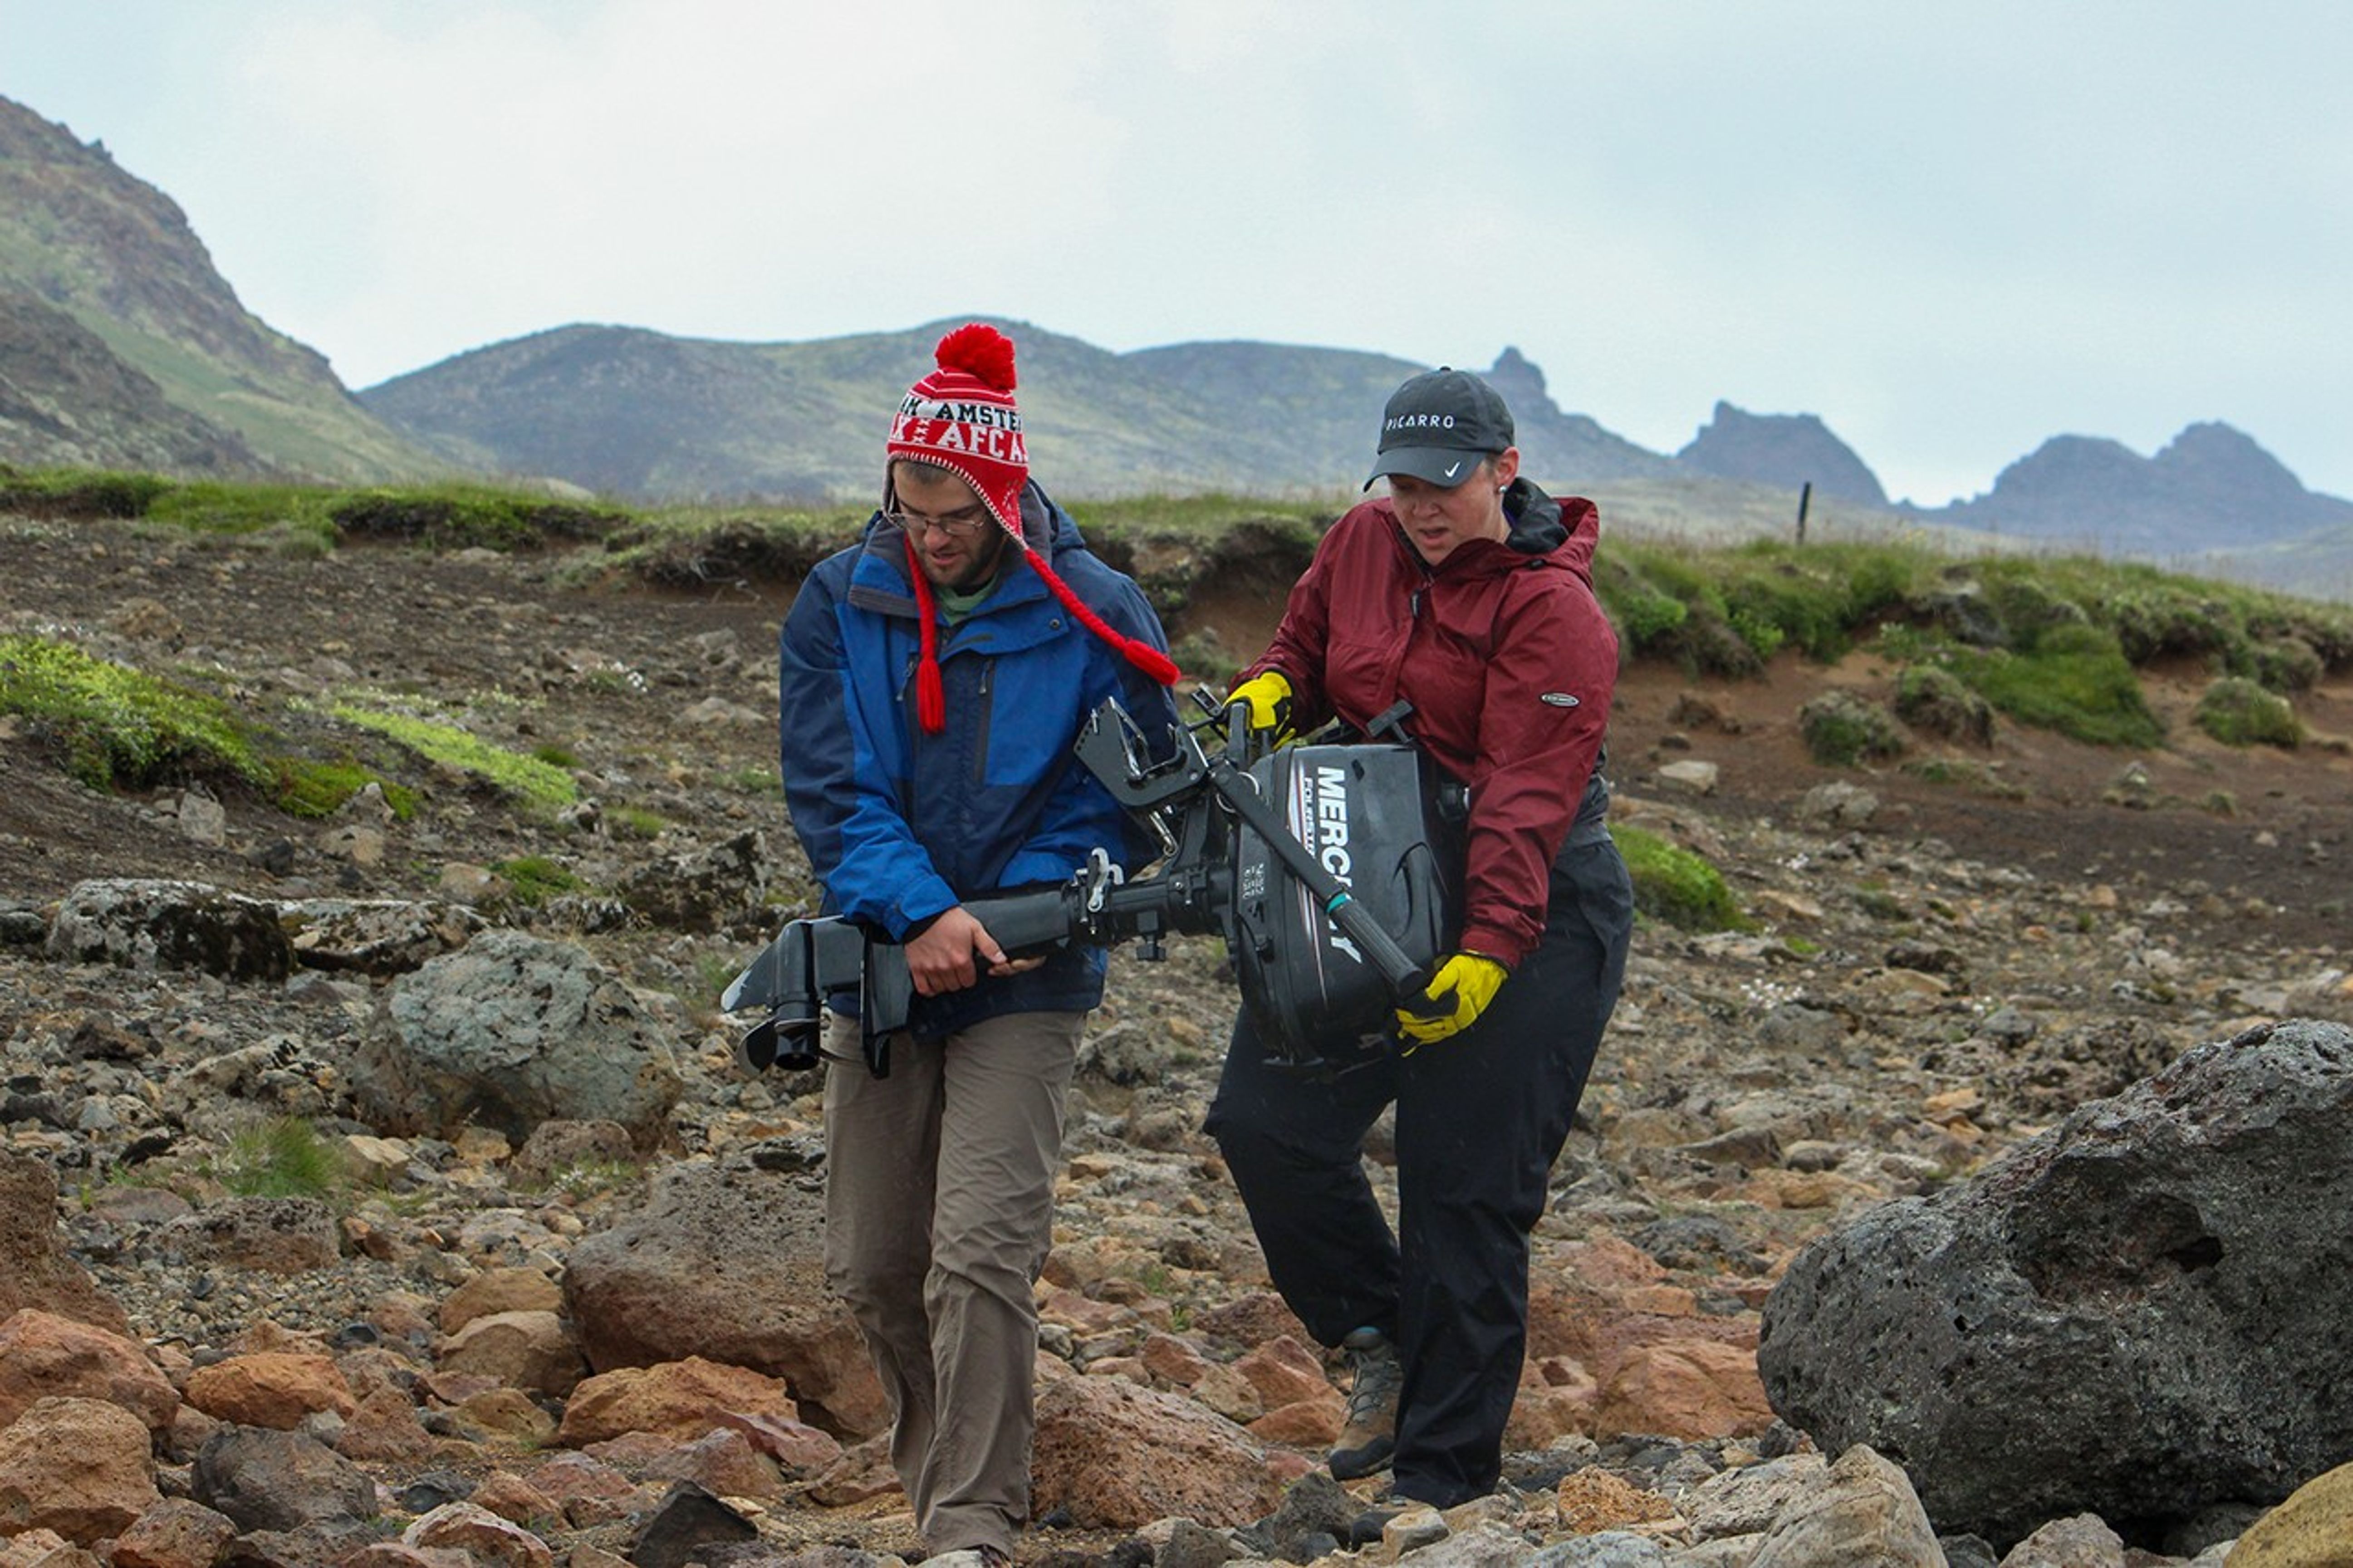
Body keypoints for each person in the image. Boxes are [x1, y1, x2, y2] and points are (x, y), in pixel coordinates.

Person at [775, 322, 1180, 1567]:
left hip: (1032, 975)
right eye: (911, 510)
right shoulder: (842, 600)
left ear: (1003, 494)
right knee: (874, 1266)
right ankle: (939, 1489)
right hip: (887, 963)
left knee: (981, 1254)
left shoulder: (1095, 611)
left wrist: (1014, 909)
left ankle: (970, 1531)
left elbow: (1130, 800)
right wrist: (920, 912)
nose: (930, 538)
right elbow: (835, 792)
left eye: (953, 515)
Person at [1203, 365, 1634, 1518]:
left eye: (1444, 483)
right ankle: (1385, 1340)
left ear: (1504, 471)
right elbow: (1302, 652)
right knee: (1265, 1123)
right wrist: (1264, 698)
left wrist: (1490, 950)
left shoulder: (1555, 613)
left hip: (1533, 910)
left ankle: (1440, 1491)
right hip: (1370, 874)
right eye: (1401, 482)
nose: (1421, 505)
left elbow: (1524, 801)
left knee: (1464, 1189)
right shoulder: (1361, 540)